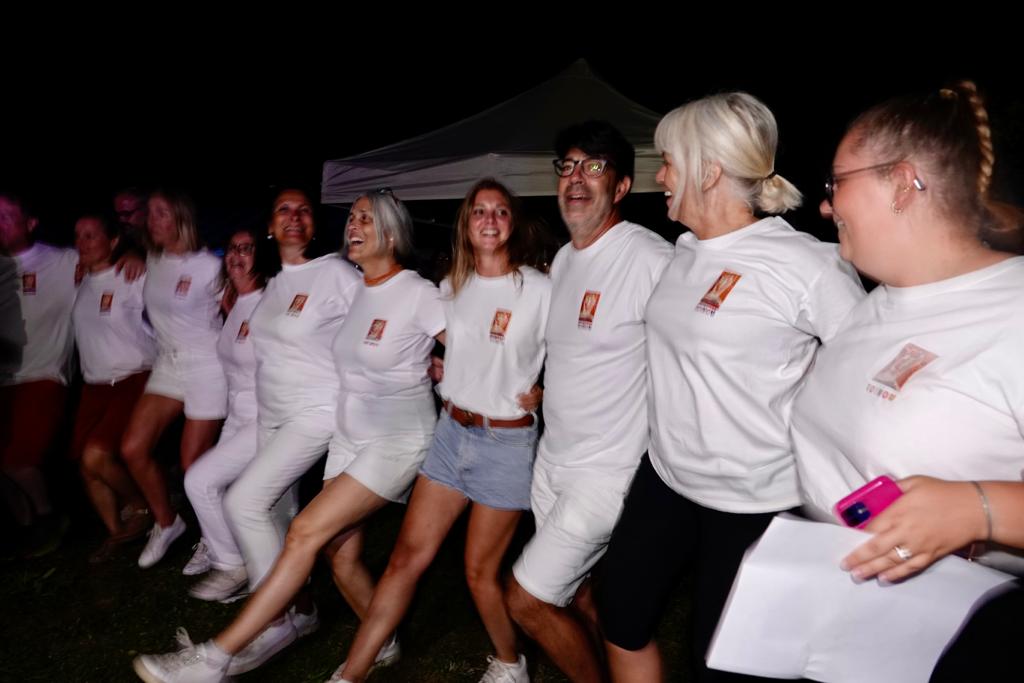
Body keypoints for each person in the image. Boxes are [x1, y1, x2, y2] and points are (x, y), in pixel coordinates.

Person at [593, 93, 865, 683]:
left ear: (708, 170)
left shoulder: (807, 266)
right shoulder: (685, 251)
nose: (660, 176)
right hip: (666, 477)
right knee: (619, 614)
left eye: (669, 161)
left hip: (755, 500)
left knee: (723, 664)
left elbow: (864, 376)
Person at [133, 189, 445, 683]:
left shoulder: (396, 286)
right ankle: (380, 639)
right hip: (344, 430)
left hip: (390, 435)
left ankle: (222, 653)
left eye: (366, 219)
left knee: (290, 526)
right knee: (339, 556)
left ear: (390, 233)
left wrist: (456, 379)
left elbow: (465, 343)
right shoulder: (353, 285)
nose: (354, 225)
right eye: (352, 217)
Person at [791, 81, 1024, 681]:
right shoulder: (882, 298)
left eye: (835, 183)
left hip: (966, 642)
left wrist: (980, 509)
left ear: (901, 183)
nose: (826, 206)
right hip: (855, 623)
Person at [338, 179, 551, 683]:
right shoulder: (451, 286)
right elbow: (453, 347)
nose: (490, 220)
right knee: (404, 559)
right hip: (451, 435)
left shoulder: (539, 289)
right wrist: (439, 369)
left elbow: (577, 349)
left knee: (479, 573)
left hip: (505, 443)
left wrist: (549, 389)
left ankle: (511, 663)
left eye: (500, 211)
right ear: (466, 223)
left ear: (512, 222)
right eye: (479, 211)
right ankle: (348, 676)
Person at [503, 121, 674, 682]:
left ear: (621, 187)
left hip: (606, 472)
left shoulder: (650, 258)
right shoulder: (565, 260)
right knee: (577, 596)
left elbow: (694, 349)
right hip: (553, 462)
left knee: (526, 600)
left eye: (594, 167)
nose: (577, 178)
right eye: (569, 166)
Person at [119, 189, 226, 569]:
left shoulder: (210, 265)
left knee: (193, 463)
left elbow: (237, 310)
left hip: (206, 364)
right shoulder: (151, 258)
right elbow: (121, 247)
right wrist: (130, 255)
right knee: (133, 448)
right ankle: (167, 523)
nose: (153, 221)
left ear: (181, 216)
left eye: (161, 213)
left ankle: (216, 542)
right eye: (150, 214)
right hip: (168, 362)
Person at [181, 227, 269, 601]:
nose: (236, 255)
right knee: (234, 498)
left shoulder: (270, 303)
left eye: (247, 249)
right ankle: (252, 577)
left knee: (200, 482)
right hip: (237, 415)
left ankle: (233, 566)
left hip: (266, 417)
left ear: (262, 257)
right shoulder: (236, 305)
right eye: (232, 248)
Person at [70, 212, 156, 562]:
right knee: (85, 465)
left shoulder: (132, 275)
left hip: (132, 378)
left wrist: (137, 256)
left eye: (91, 235)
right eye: (78, 235)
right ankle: (116, 533)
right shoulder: (77, 279)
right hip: (94, 384)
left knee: (97, 455)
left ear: (114, 241)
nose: (82, 243)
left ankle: (142, 506)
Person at [0, 191, 78, 556]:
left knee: (19, 461)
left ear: (30, 223)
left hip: (44, 374)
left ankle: (49, 515)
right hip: (4, 379)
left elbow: (105, 260)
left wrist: (128, 256)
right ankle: (26, 524)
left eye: (5, 216)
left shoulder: (61, 261)